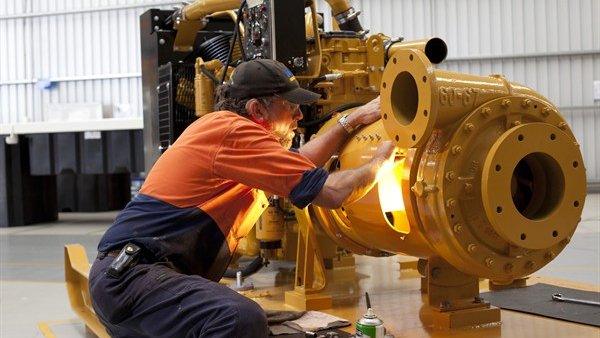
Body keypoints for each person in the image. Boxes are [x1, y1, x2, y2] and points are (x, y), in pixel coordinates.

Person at [89, 59, 395, 338]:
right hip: (132, 278)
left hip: (131, 281)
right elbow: (333, 192)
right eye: (291, 105)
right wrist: (380, 162)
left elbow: (300, 161)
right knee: (239, 318)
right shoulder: (232, 131)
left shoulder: (225, 134)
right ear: (257, 110)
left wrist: (351, 121)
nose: (300, 115)